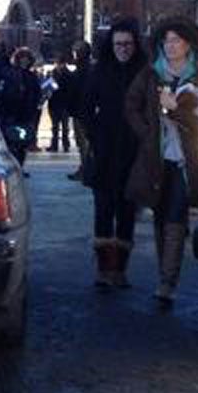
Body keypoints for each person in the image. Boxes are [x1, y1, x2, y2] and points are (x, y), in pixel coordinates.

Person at [124, 18, 198, 309]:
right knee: (161, 217)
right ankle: (166, 274)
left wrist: (175, 110)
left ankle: (167, 282)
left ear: (187, 45)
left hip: (184, 161)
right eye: (167, 41)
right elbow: (131, 105)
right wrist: (146, 132)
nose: (170, 46)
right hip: (155, 160)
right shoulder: (150, 74)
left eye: (176, 41)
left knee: (176, 218)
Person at [81, 18, 145, 289]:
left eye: (128, 44)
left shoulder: (144, 72)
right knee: (103, 211)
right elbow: (85, 108)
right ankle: (104, 269)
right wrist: (96, 136)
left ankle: (120, 270)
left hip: (133, 153)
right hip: (105, 153)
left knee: (127, 212)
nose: (123, 49)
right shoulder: (99, 72)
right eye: (119, 44)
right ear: (111, 44)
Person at [64, 40, 94, 180]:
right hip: (83, 111)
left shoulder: (82, 71)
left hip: (82, 112)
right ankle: (86, 168)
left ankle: (87, 170)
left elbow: (75, 91)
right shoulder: (88, 69)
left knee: (84, 144)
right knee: (84, 144)